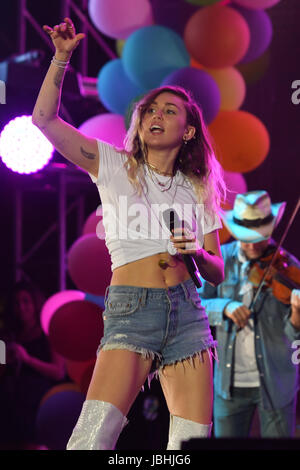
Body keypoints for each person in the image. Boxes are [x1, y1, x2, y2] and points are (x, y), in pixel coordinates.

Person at [32, 17, 226, 451]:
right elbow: (43, 119)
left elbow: (217, 270)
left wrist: (195, 252)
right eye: (150, 109)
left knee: (191, 444)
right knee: (91, 438)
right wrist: (61, 58)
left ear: (188, 130)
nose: (156, 114)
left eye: (169, 110)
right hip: (132, 311)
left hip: (188, 316)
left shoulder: (197, 188)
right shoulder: (113, 164)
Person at [198, 190, 300, 438]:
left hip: (277, 382)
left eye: (259, 238)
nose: (253, 244)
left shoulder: (289, 267)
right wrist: (224, 307)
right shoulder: (219, 261)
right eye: (246, 238)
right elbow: (196, 304)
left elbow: (293, 335)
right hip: (228, 386)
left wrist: (297, 314)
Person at [0, 280, 65, 448]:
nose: (21, 307)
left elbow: (58, 372)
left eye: (25, 301)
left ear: (35, 303)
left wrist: (28, 359)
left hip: (37, 404)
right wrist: (5, 359)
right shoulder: (6, 335)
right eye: (16, 303)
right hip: (9, 404)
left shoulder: (48, 333)